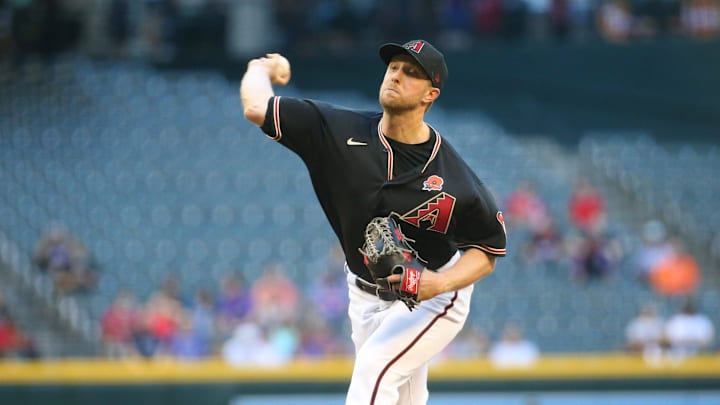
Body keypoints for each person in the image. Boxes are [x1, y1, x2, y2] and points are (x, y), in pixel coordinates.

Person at [240, 39, 506, 404]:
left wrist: (439, 283)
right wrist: (260, 67)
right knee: (402, 397)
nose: (396, 76)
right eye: (393, 67)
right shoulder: (335, 130)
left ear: (431, 94)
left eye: (411, 73)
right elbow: (256, 107)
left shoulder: (457, 178)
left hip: (431, 297)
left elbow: (487, 249)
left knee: (373, 371)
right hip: (363, 294)